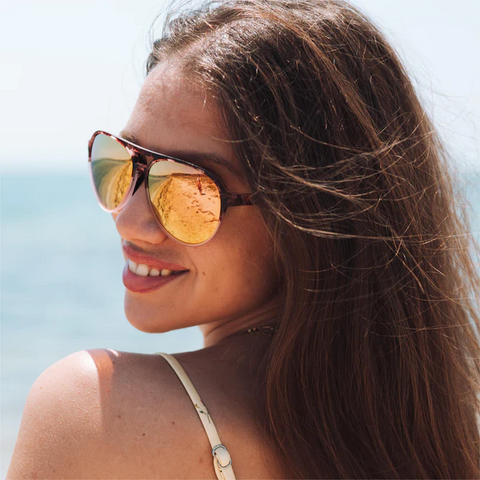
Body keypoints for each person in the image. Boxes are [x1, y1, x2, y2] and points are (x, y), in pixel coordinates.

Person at [7, 0, 480, 478]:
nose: (128, 219)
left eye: (191, 188)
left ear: (307, 218)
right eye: (123, 162)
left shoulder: (94, 408)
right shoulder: (432, 440)